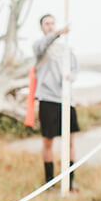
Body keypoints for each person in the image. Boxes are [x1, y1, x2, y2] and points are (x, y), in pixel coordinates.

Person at [33, 14, 79, 190]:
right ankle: (49, 181)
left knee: (70, 142)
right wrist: (58, 33)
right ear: (41, 27)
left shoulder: (66, 49)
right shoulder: (38, 46)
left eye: (53, 23)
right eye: (47, 24)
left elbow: (75, 70)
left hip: (66, 99)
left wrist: (70, 77)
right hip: (47, 98)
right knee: (48, 141)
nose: (50, 26)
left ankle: (70, 180)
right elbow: (44, 45)